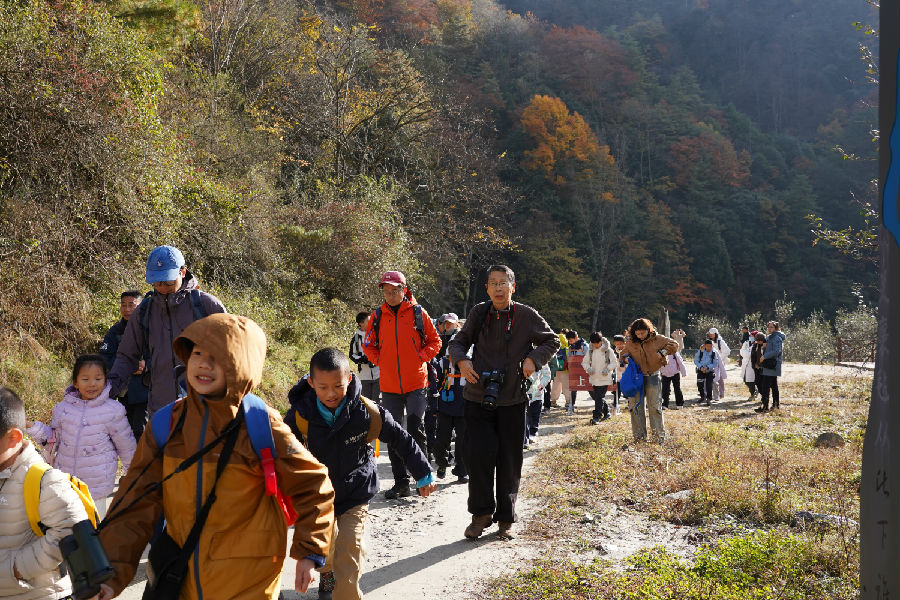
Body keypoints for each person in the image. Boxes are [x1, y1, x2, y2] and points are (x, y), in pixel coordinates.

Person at [97, 314, 336, 600]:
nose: (203, 363)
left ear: (241, 366)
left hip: (250, 583)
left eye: (218, 357)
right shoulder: (167, 424)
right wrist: (109, 574)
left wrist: (309, 551)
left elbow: (314, 484)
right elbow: (134, 504)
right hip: (181, 579)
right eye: (197, 353)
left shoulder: (260, 424)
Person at [285, 348, 436, 600]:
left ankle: (345, 593)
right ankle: (328, 571)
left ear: (350, 380)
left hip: (356, 491)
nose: (331, 393)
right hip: (320, 494)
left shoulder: (367, 412)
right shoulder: (301, 415)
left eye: (338, 386)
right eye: (322, 387)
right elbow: (281, 449)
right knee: (328, 544)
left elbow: (401, 438)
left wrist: (422, 472)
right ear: (311, 383)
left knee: (351, 548)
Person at [449, 265, 559, 540]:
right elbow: (458, 342)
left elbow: (551, 340)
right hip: (477, 395)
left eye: (503, 283)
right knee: (478, 458)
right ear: (487, 288)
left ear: (513, 286)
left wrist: (533, 359)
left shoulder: (524, 314)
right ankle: (481, 514)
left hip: (512, 398)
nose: (498, 288)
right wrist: (462, 361)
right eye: (493, 283)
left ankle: (506, 519)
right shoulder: (479, 312)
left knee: (510, 460)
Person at [106, 245, 226, 416]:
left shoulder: (206, 306)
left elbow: (232, 354)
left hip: (204, 409)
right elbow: (126, 356)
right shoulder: (144, 311)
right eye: (157, 282)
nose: (162, 287)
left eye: (168, 281)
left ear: (182, 272)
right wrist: (104, 393)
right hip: (161, 410)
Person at [0, 386, 90, 600]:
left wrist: (16, 569)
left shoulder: (44, 480)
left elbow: (70, 531)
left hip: (37, 594)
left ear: (13, 438)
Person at [363, 271, 441, 499]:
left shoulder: (418, 313)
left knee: (416, 427)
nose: (390, 295)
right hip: (389, 385)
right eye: (386, 291)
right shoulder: (377, 316)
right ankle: (401, 482)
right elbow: (369, 345)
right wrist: (381, 361)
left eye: (394, 290)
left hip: (416, 381)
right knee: (392, 431)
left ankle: (423, 478)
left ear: (404, 290)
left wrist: (421, 357)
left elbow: (435, 341)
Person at [27, 354, 136, 517]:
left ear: (105, 380)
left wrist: (134, 476)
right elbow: (53, 440)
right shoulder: (63, 409)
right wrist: (32, 427)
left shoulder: (113, 411)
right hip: (65, 481)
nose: (92, 384)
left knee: (92, 529)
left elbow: (126, 446)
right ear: (75, 382)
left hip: (96, 486)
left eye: (98, 379)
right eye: (85, 379)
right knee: (66, 527)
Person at [99, 290, 150, 441]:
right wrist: (127, 365)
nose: (127, 309)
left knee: (141, 431)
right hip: (123, 390)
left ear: (141, 306)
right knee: (124, 432)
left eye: (131, 305)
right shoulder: (115, 331)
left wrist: (147, 365)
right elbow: (105, 357)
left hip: (145, 390)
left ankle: (141, 463)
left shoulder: (151, 329)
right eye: (124, 305)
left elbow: (163, 353)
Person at [620, 318, 678, 444]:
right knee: (636, 407)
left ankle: (658, 438)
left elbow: (674, 345)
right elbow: (622, 355)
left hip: (653, 375)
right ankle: (639, 438)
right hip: (636, 378)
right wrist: (626, 360)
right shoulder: (630, 342)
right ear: (633, 332)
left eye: (643, 333)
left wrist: (662, 352)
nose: (640, 336)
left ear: (648, 330)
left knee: (655, 407)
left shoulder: (658, 339)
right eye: (638, 333)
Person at [434, 314, 468, 482]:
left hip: (464, 404)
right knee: (442, 438)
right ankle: (442, 463)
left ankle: (462, 471)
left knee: (464, 438)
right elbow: (434, 382)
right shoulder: (442, 363)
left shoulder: (470, 364)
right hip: (446, 403)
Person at [582, 332, 617, 424]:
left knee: (599, 397)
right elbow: (584, 362)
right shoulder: (590, 350)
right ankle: (607, 412)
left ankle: (596, 417)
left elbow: (614, 362)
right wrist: (588, 368)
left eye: (597, 343)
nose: (596, 345)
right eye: (593, 343)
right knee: (598, 397)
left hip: (605, 378)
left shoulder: (608, 350)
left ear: (601, 341)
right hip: (594, 378)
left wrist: (608, 369)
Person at [350, 311, 380, 404]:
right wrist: (363, 360)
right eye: (368, 320)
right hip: (364, 374)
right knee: (367, 402)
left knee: (377, 402)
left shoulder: (377, 334)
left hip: (379, 373)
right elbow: (352, 354)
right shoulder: (356, 338)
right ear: (361, 323)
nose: (371, 322)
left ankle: (380, 418)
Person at [757, 321, 786, 412]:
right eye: (769, 327)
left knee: (765, 385)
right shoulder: (769, 337)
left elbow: (777, 351)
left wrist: (764, 356)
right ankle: (775, 405)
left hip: (773, 364)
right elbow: (767, 349)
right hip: (769, 364)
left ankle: (765, 406)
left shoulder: (777, 338)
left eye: (772, 327)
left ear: (776, 328)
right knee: (773, 385)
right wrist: (764, 347)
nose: (770, 329)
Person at [524, 362, 551, 446]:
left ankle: (533, 433)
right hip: (523, 394)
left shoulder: (541, 359)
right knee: (525, 417)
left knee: (535, 415)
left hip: (537, 394)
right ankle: (525, 438)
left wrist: (541, 384)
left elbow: (547, 375)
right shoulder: (521, 357)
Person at [659, 329, 687, 409]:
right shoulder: (660, 353)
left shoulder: (674, 352)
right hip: (664, 374)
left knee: (677, 388)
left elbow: (680, 362)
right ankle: (665, 404)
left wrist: (683, 372)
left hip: (675, 373)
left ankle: (680, 403)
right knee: (665, 390)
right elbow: (657, 362)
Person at [565, 331, 588, 414]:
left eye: (571, 340)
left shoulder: (584, 346)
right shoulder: (571, 346)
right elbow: (569, 357)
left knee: (590, 389)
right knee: (573, 388)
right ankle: (572, 406)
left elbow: (589, 357)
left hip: (584, 371)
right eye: (569, 340)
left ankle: (599, 405)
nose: (570, 342)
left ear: (576, 338)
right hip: (574, 370)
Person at [707, 327, 731, 402]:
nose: (711, 335)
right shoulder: (709, 341)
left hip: (720, 362)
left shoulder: (721, 341)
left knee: (720, 378)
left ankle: (721, 392)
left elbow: (727, 351)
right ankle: (710, 392)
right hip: (711, 362)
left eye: (712, 334)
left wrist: (719, 357)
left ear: (716, 334)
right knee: (711, 377)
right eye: (710, 334)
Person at [694, 340, 718, 406]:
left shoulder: (713, 353)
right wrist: (701, 367)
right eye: (707, 346)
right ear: (704, 345)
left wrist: (707, 367)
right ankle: (702, 396)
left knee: (709, 386)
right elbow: (696, 360)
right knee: (700, 384)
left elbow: (715, 363)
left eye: (710, 346)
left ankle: (709, 399)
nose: (709, 348)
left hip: (709, 371)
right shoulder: (700, 351)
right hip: (700, 371)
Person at [549, 330, 569, 408]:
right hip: (565, 370)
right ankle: (568, 402)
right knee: (566, 386)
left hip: (556, 370)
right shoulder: (567, 348)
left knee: (555, 386)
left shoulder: (554, 348)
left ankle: (553, 401)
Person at [739, 330, 760, 402]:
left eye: (752, 336)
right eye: (750, 336)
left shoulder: (757, 344)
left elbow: (752, 354)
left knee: (751, 380)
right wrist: (747, 354)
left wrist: (747, 354)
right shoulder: (746, 343)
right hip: (745, 363)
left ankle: (753, 394)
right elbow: (741, 352)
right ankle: (755, 391)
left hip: (752, 365)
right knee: (745, 380)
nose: (750, 337)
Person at [611, 334, 626, 412]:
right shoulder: (613, 351)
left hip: (625, 372)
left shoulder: (627, 350)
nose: (619, 345)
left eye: (620, 344)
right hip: (617, 372)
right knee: (617, 389)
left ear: (624, 343)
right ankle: (615, 403)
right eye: (617, 344)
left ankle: (630, 401)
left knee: (627, 388)